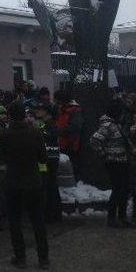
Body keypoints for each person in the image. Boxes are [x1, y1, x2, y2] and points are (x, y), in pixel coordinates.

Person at [0, 102, 49, 270]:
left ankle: (20, 258)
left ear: (10, 115)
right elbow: (43, 158)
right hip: (33, 181)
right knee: (38, 220)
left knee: (15, 221)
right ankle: (44, 259)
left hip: (13, 182)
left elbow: (3, 157)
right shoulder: (35, 133)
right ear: (25, 114)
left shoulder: (5, 135)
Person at [90, 99, 134, 228]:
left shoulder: (115, 124)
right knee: (118, 190)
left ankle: (121, 217)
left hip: (122, 161)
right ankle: (113, 218)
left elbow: (125, 142)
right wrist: (105, 154)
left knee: (123, 189)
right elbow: (94, 140)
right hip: (115, 162)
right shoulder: (108, 125)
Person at [33, 105, 62, 223]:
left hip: (48, 158)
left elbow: (50, 136)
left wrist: (40, 132)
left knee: (47, 184)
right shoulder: (46, 123)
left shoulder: (49, 124)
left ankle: (50, 214)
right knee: (50, 184)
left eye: (39, 110)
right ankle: (53, 213)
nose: (37, 112)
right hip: (49, 157)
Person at [53, 90, 83, 181]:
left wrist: (59, 131)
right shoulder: (59, 108)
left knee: (72, 164)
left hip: (70, 143)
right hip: (60, 142)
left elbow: (75, 127)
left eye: (57, 100)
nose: (55, 102)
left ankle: (74, 181)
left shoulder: (75, 109)